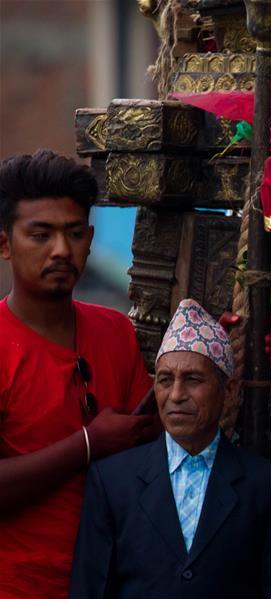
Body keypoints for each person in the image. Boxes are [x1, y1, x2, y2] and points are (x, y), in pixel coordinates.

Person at [0, 150, 157, 599]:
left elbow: (150, 449)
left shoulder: (114, 330)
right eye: (41, 235)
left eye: (73, 234)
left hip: (115, 580)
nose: (61, 251)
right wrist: (87, 445)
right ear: (5, 244)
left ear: (90, 238)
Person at [69, 299, 271, 598]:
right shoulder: (113, 481)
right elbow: (89, 588)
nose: (176, 395)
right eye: (166, 380)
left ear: (228, 392)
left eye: (193, 379)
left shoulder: (265, 486)